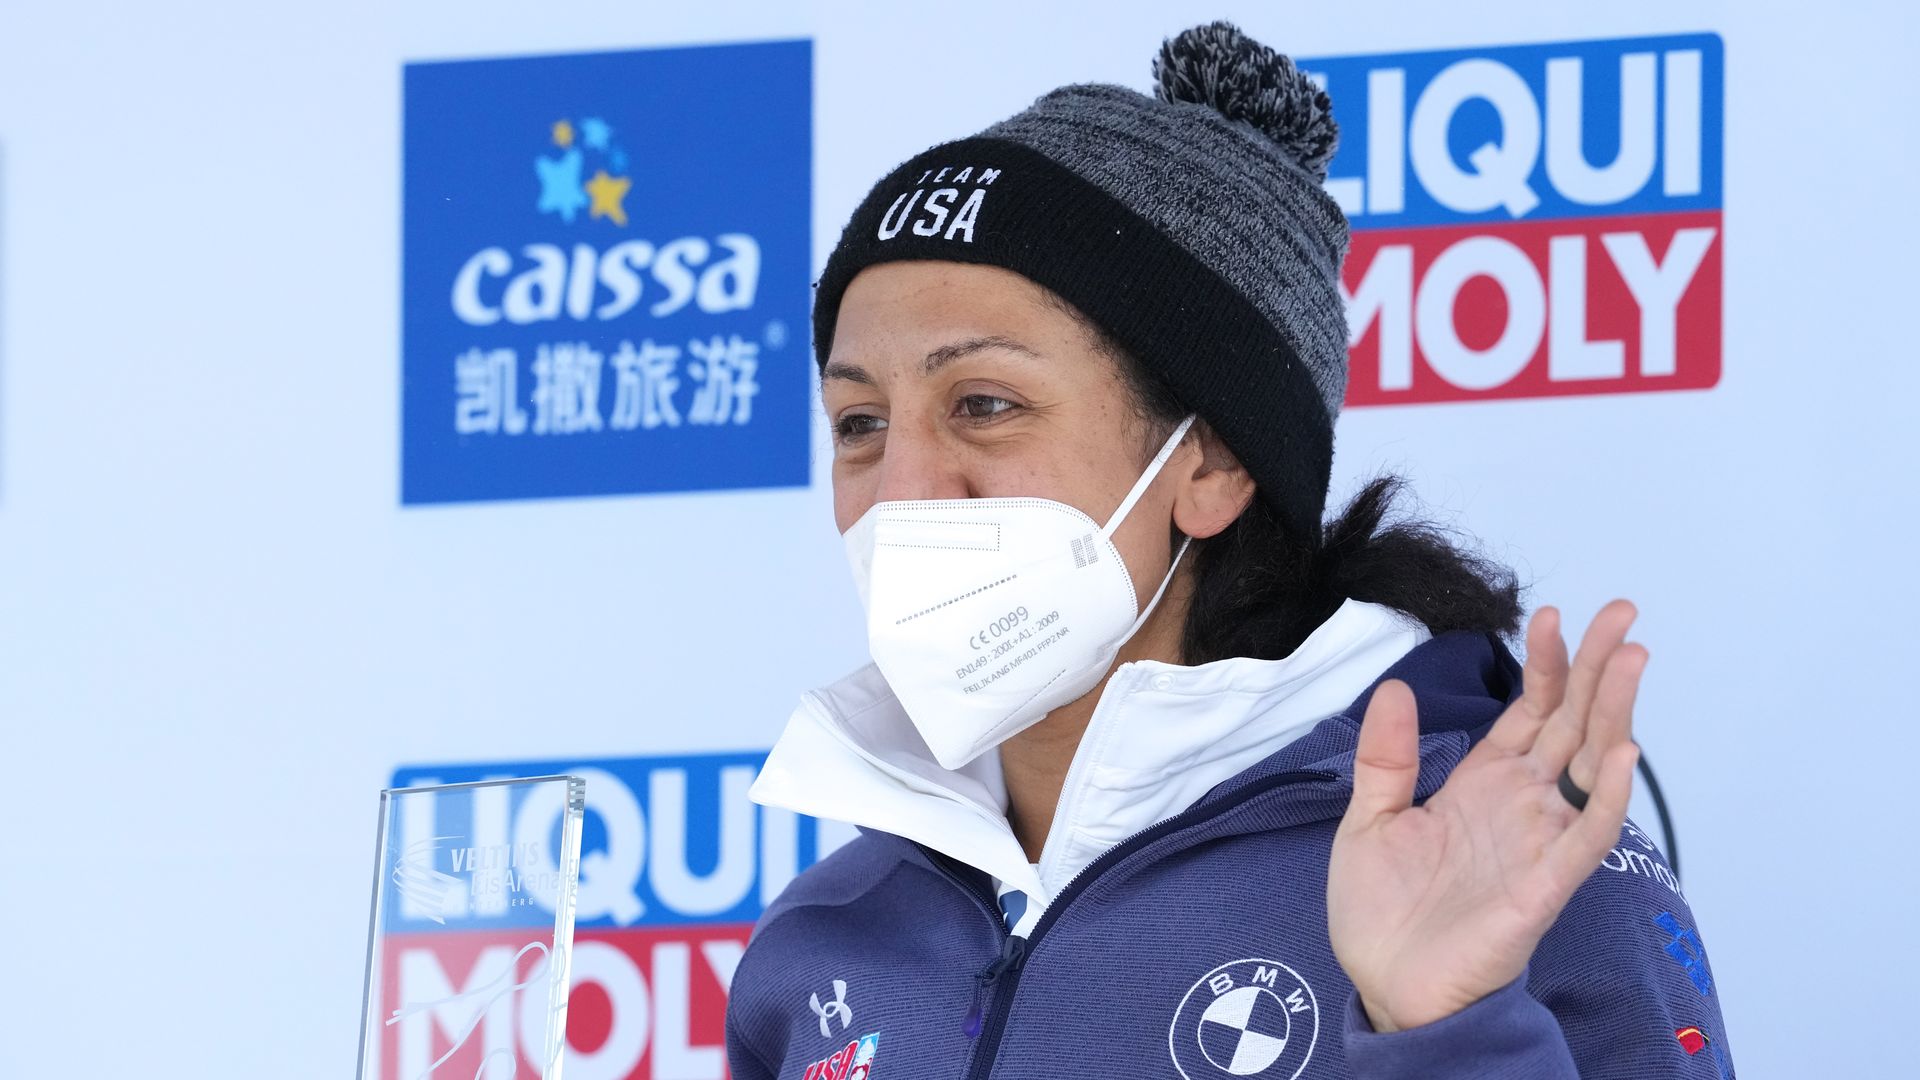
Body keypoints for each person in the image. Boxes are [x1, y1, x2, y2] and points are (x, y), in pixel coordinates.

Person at [726, 21, 1731, 1080]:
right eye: (858, 423)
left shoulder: (1497, 863)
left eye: (984, 403)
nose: (901, 491)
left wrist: (1449, 1031)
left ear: (1208, 463)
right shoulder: (827, 936)